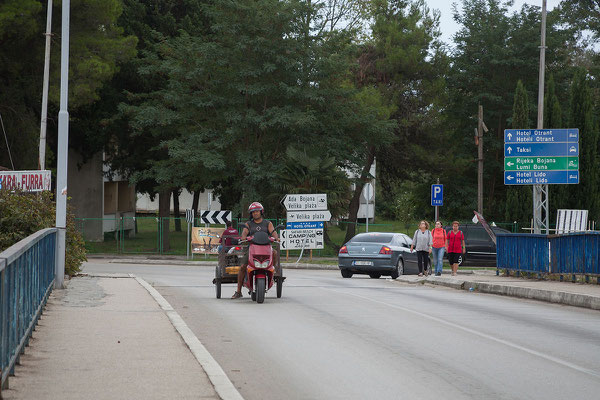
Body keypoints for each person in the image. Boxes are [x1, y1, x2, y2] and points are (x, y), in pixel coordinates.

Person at [231, 202, 279, 299]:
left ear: (261, 212)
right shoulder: (248, 224)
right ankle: (239, 291)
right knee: (242, 266)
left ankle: (272, 270)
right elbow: (244, 233)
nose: (255, 213)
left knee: (275, 253)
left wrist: (276, 238)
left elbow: (274, 233)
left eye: (257, 211)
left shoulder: (268, 223)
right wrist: (243, 238)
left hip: (266, 248)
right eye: (253, 212)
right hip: (252, 249)